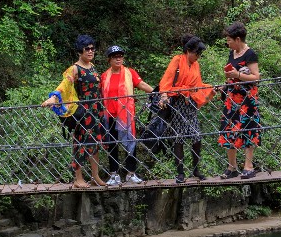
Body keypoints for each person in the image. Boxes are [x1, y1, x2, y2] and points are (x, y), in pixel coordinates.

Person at [44, 34, 109, 189]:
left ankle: (95, 176)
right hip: (83, 112)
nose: (91, 51)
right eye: (87, 49)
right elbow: (65, 84)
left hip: (96, 110)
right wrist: (54, 97)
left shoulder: (92, 67)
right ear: (80, 51)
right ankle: (78, 178)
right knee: (80, 142)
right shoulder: (75, 68)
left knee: (95, 143)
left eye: (93, 48)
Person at [155, 36, 212, 183]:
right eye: (196, 53)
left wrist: (211, 89)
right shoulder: (177, 60)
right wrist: (164, 96)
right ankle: (180, 172)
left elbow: (198, 84)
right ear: (188, 51)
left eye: (199, 54)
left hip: (190, 103)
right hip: (178, 103)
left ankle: (195, 169)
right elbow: (166, 80)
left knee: (196, 136)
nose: (198, 56)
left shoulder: (195, 64)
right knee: (179, 137)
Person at [219, 23, 262, 179]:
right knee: (228, 128)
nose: (228, 43)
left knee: (248, 128)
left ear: (238, 39)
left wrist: (236, 75)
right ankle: (232, 167)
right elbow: (232, 74)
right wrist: (225, 84)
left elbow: (256, 77)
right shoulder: (232, 53)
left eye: (229, 40)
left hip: (247, 98)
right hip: (232, 98)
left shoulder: (250, 54)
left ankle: (248, 166)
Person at [100, 46, 146, 185]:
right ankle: (114, 175)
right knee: (112, 143)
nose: (118, 58)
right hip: (109, 114)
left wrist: (157, 92)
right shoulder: (104, 76)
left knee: (130, 142)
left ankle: (131, 173)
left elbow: (141, 84)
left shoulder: (129, 73)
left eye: (120, 56)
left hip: (126, 114)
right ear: (109, 59)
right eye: (115, 56)